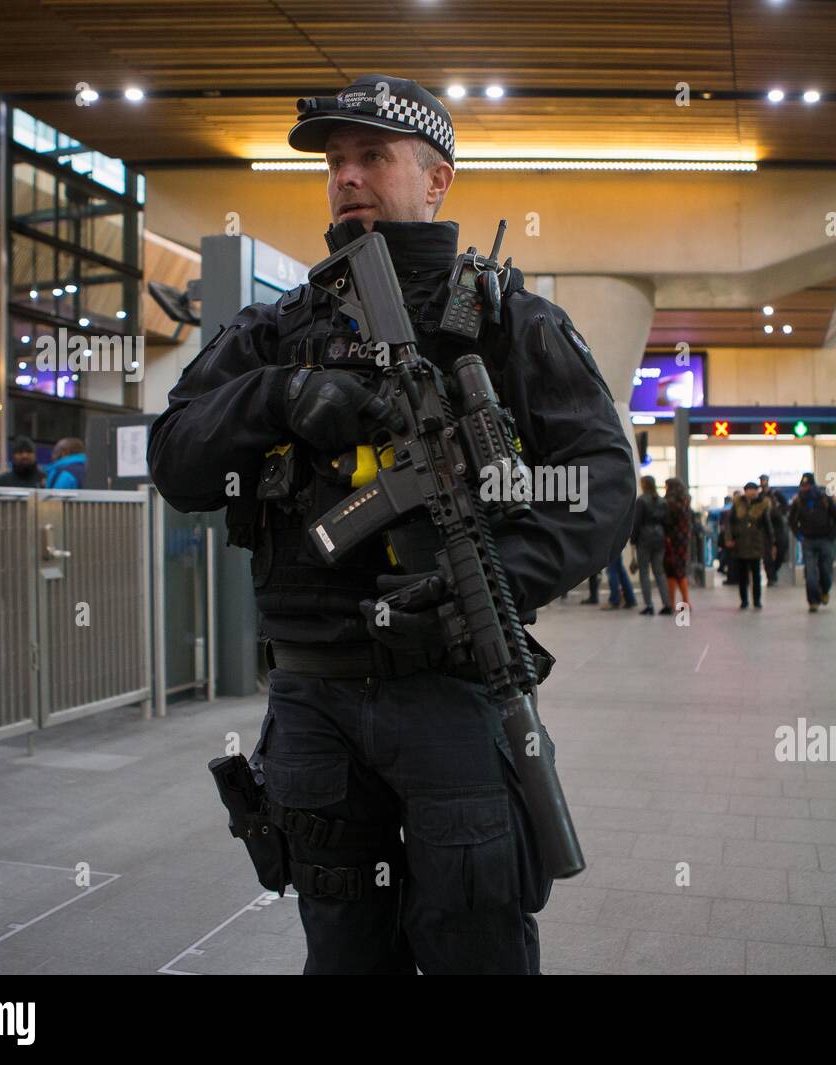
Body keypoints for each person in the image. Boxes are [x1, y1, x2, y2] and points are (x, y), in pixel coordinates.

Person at [148, 73, 635, 976]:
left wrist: (482, 584)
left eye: (372, 156)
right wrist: (279, 396)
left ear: (437, 178)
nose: (347, 178)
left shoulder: (508, 323)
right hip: (314, 695)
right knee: (342, 952)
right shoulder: (277, 332)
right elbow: (175, 456)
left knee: (475, 941)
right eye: (335, 163)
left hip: (449, 690)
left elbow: (602, 483)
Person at [788, 472, 836, 613]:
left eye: (807, 485)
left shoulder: (824, 499)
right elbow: (792, 521)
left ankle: (824, 590)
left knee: (826, 572)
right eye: (803, 486)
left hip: (825, 540)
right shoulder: (798, 501)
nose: (804, 488)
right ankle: (813, 601)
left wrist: (832, 535)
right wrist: (799, 535)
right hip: (808, 541)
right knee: (810, 573)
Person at [630, 475, 672, 615]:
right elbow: (667, 522)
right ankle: (667, 604)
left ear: (644, 485)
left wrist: (633, 540)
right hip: (659, 538)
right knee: (659, 572)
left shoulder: (641, 501)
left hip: (644, 539)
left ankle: (649, 605)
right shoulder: (662, 501)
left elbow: (636, 522)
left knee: (644, 573)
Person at [726, 481, 771, 609]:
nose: (751, 492)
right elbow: (730, 523)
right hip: (740, 544)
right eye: (749, 489)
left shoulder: (763, 505)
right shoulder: (737, 504)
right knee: (742, 575)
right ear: (745, 491)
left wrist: (771, 542)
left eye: (754, 490)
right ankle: (744, 600)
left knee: (756, 574)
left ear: (757, 491)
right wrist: (729, 538)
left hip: (756, 544)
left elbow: (767, 525)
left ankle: (757, 600)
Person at [662, 477, 692, 612]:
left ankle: (674, 602)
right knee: (680, 569)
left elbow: (667, 521)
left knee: (672, 570)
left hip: (671, 539)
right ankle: (685, 601)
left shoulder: (670, 502)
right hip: (683, 539)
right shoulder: (686, 500)